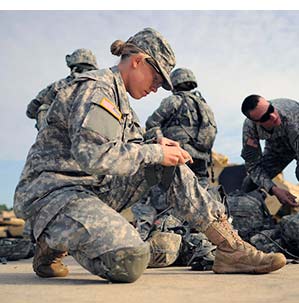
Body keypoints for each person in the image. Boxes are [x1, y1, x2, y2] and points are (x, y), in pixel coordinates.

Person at [14, 28, 286, 284]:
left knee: (170, 164)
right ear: (138, 61)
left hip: (93, 188)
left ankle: (231, 249)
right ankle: (52, 241)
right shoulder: (97, 88)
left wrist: (156, 142)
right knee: (129, 261)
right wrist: (155, 151)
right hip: (55, 193)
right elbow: (94, 156)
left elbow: (131, 148)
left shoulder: (123, 102)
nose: (156, 88)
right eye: (156, 79)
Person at [145, 67, 217, 187]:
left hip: (179, 154)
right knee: (201, 192)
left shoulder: (174, 101)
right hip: (202, 158)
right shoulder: (203, 104)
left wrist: (160, 141)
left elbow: (152, 123)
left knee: (169, 193)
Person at [241, 94, 299, 207]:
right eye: (265, 117)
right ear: (256, 122)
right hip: (278, 150)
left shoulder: (294, 115)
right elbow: (253, 166)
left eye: (271, 109)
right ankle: (253, 218)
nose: (272, 116)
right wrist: (274, 189)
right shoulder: (250, 128)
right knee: (249, 184)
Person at [26, 48, 99, 130]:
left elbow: (31, 110)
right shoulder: (60, 85)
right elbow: (32, 109)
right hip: (65, 127)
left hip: (84, 127)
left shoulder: (61, 84)